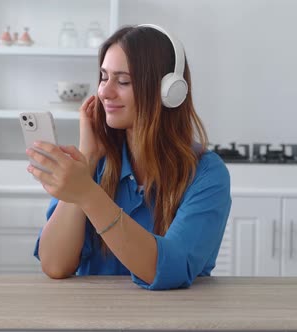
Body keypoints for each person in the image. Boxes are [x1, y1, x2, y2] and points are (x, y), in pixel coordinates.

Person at [27, 24, 231, 290]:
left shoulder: (206, 174)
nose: (104, 92)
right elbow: (54, 264)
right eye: (103, 77)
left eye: (123, 81)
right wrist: (87, 160)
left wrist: (88, 195)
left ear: (168, 91)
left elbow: (168, 270)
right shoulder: (94, 167)